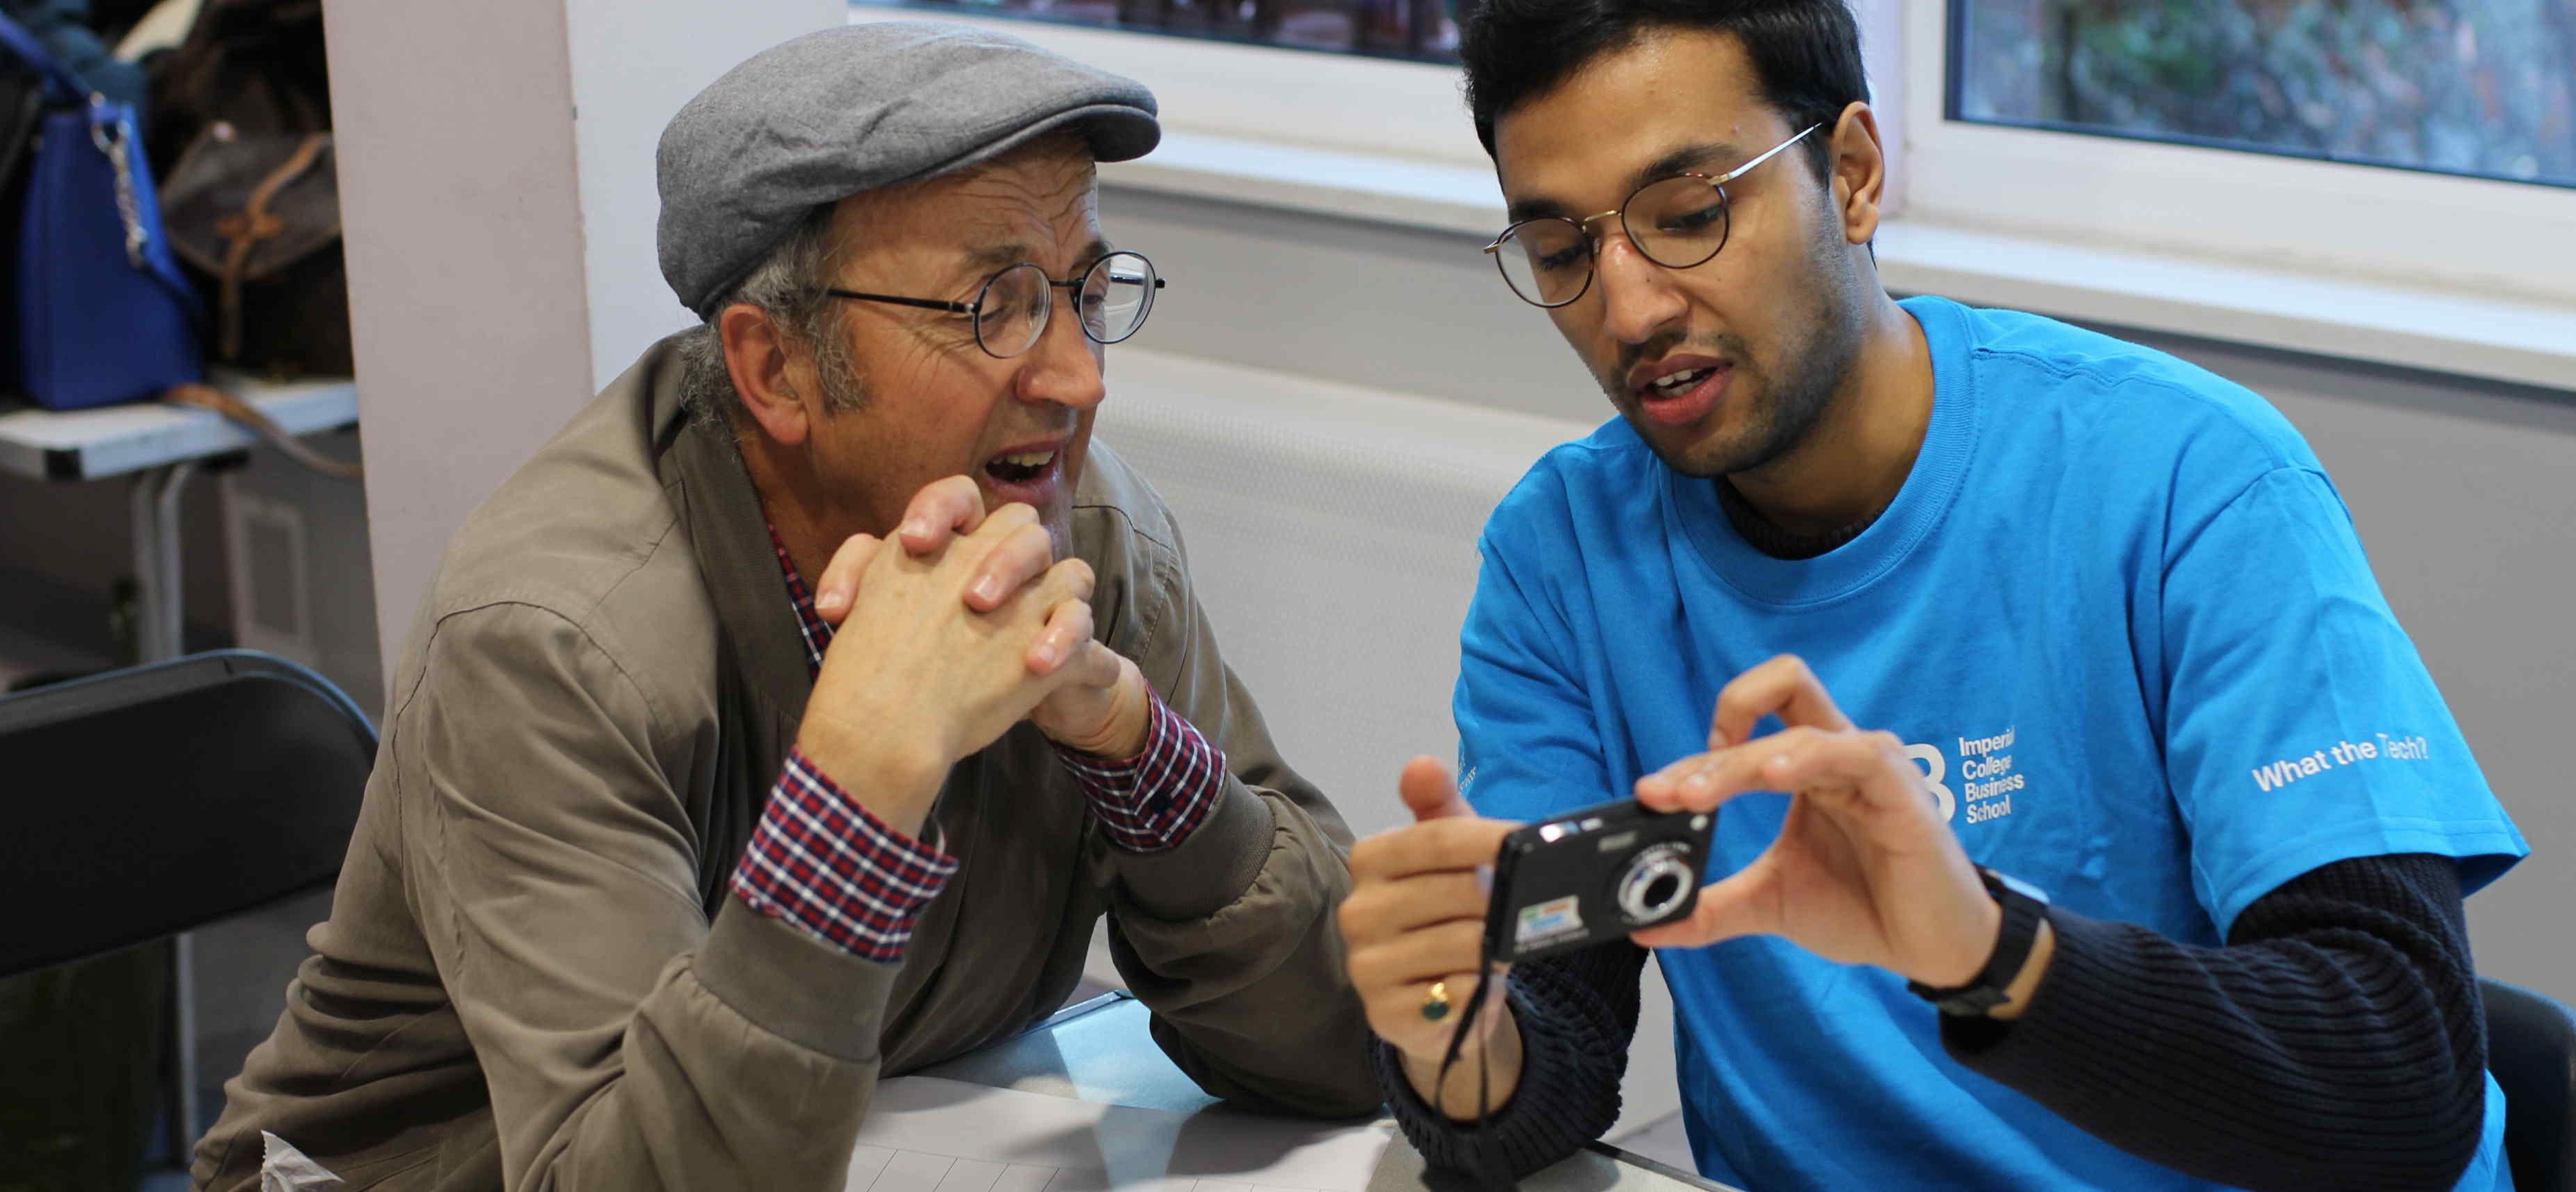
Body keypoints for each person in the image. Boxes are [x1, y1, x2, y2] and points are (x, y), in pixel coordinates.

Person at [1335, 1, 2532, 1188]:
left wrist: (1988, 952)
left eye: (1691, 216)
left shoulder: (2188, 483)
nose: (1632, 308)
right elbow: (1549, 1054)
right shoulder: (1568, 560)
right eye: (1562, 252)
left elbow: (2399, 1078)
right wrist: (1460, 1040)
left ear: (1852, 176)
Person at [193, 23, 1377, 1191]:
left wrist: (1138, 750)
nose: (1078, 376)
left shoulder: (1091, 541)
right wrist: (861, 790)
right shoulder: (554, 643)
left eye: (1082, 290)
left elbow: (1352, 1051)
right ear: (773, 370)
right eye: (995, 305)